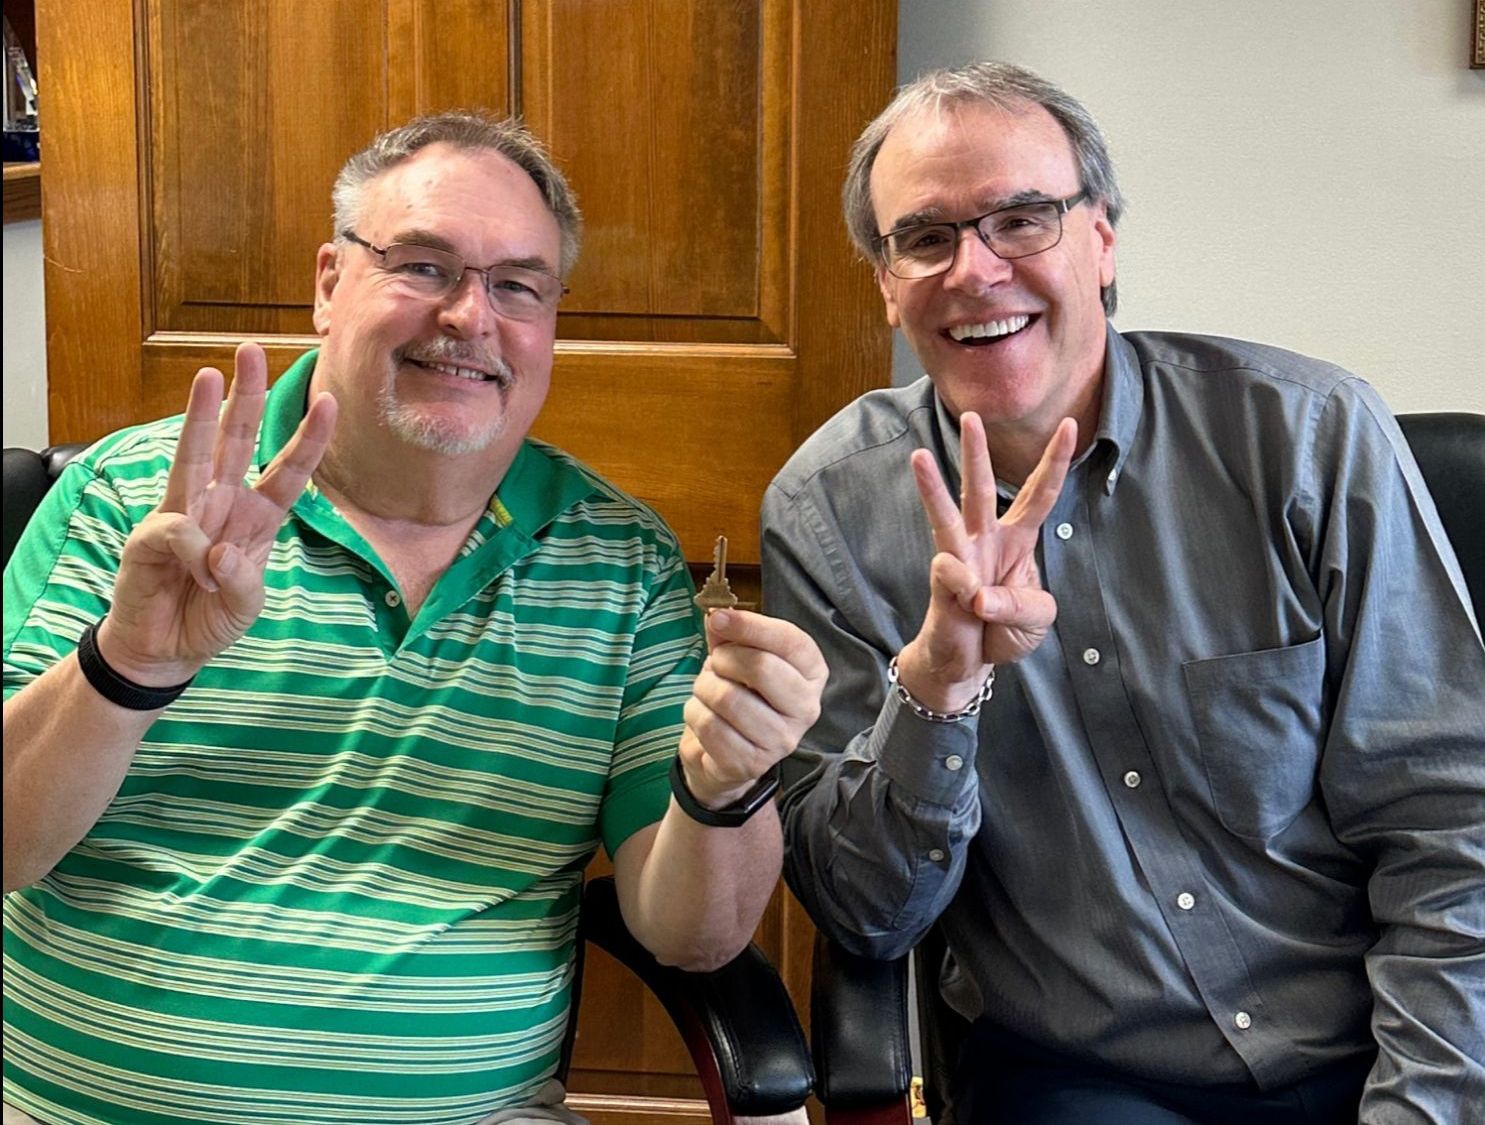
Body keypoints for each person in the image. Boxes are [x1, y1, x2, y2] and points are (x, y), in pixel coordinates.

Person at [3, 112, 825, 1125]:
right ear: (328, 283)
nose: (471, 318)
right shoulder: (131, 501)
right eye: (425, 266)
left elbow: (691, 936)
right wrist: (127, 666)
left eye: (517, 285)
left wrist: (725, 790)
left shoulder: (624, 566)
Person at [764, 61, 1484, 1125]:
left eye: (1023, 218)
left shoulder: (1309, 439)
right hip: (1083, 1074)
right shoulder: (831, 513)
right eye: (924, 237)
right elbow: (868, 919)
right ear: (884, 278)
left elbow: (1449, 824)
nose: (974, 270)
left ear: (1102, 237)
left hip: (1378, 1043)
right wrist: (936, 691)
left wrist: (1420, 1108)